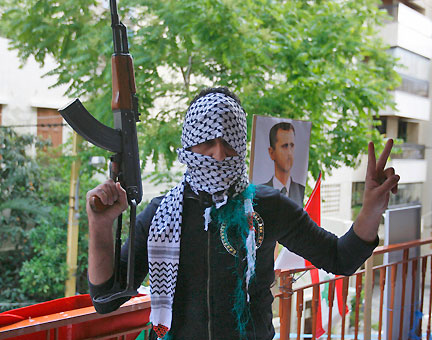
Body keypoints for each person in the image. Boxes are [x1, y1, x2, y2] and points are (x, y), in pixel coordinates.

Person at [86, 87, 399, 340]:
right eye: (207, 141)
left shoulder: (269, 205)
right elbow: (107, 299)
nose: (219, 154)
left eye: (229, 143)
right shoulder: (160, 216)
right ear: (188, 144)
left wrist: (370, 209)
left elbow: (340, 258)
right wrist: (100, 227)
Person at [261, 122, 305, 207]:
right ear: (271, 152)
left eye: (291, 145)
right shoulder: (259, 193)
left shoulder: (301, 191)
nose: (289, 152)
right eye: (285, 146)